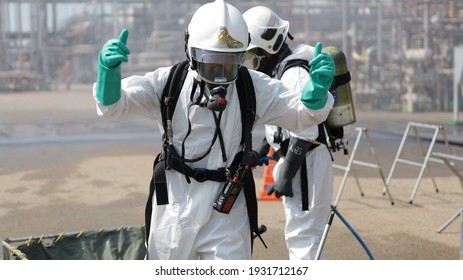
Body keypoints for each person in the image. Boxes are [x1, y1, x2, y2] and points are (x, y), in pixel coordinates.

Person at [93, 0, 334, 260]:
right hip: (175, 204)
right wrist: (108, 74)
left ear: (243, 56)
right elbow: (115, 106)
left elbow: (300, 115)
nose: (220, 75)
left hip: (228, 208)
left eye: (229, 64)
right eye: (212, 63)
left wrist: (316, 93)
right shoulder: (168, 84)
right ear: (191, 53)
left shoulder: (251, 87)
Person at [243, 6, 334, 260]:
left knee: (304, 237)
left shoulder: (294, 73)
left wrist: (286, 174)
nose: (253, 62)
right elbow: (282, 121)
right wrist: (264, 148)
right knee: (301, 233)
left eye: (254, 55)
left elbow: (305, 130)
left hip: (306, 163)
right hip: (301, 162)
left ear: (268, 47)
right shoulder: (283, 68)